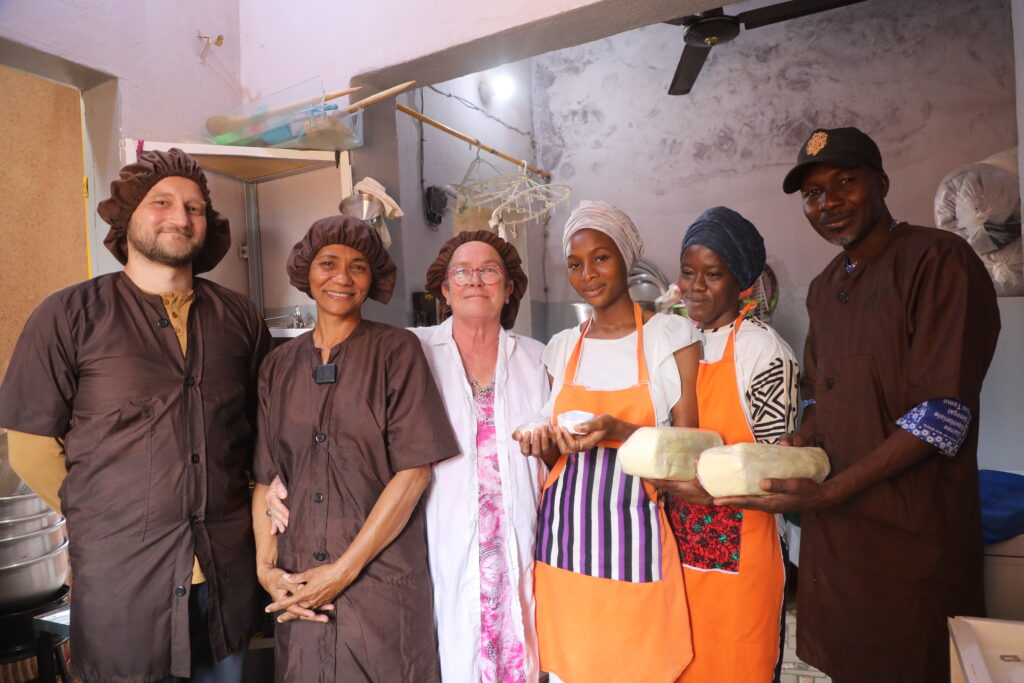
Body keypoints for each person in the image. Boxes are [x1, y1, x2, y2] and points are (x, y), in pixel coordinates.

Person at [717, 127, 1001, 682]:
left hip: (913, 538)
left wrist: (833, 489)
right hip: (840, 545)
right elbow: (825, 395)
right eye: (813, 194)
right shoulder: (826, 286)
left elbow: (942, 417)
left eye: (845, 182)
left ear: (882, 183)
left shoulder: (938, 260)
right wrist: (803, 439)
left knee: (916, 663)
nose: (829, 203)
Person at [0, 148, 270, 683]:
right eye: (162, 202)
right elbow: (30, 446)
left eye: (195, 207)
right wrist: (106, 515)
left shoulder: (238, 315)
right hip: (125, 584)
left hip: (224, 575)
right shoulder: (68, 315)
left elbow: (261, 429)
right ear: (128, 218)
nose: (180, 216)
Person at [266, 230, 549, 682]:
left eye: (490, 271)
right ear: (444, 287)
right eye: (462, 271)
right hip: (430, 548)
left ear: (510, 286)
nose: (475, 280)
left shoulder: (541, 360)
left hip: (519, 546)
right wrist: (280, 480)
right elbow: (338, 420)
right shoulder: (410, 348)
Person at [251, 216, 460, 682]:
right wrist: (267, 571)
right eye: (328, 263)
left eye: (358, 266)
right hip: (299, 587)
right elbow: (267, 478)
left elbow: (414, 474)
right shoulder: (277, 366)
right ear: (307, 270)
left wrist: (343, 572)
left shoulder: (396, 351)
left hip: (380, 592)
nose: (342, 277)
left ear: (373, 279)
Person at [515, 201, 701, 682]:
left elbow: (691, 449)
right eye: (574, 264)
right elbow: (556, 449)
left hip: (634, 540)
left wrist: (618, 431)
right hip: (564, 543)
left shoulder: (670, 336)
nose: (587, 274)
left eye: (601, 257)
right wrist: (542, 442)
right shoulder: (561, 347)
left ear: (626, 259)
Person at [651, 207, 799, 682]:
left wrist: (708, 491)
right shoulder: (674, 343)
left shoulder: (763, 350)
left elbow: (779, 466)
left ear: (742, 282)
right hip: (674, 549)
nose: (695, 286)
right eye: (688, 272)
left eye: (712, 275)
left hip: (741, 550)